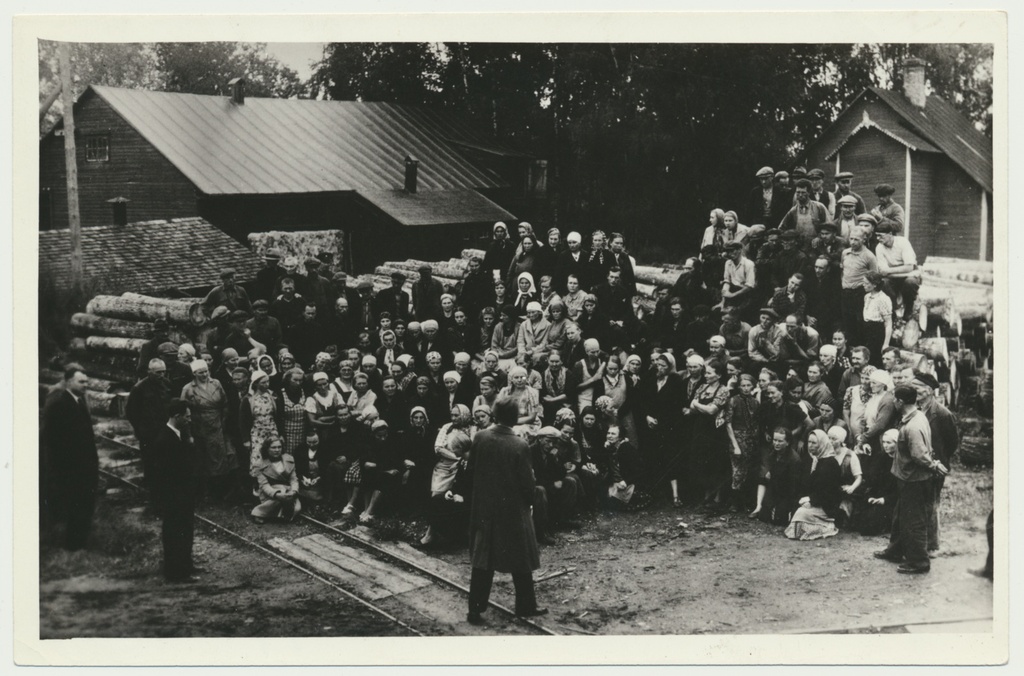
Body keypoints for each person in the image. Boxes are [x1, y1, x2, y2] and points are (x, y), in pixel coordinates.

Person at [467, 396, 546, 624]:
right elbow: (527, 484)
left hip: (484, 508)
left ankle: (475, 610)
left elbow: (470, 471)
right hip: (513, 510)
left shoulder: (480, 437)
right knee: (521, 557)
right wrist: (530, 501)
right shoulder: (519, 444)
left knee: (483, 559)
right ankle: (525, 606)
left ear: (494, 415)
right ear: (515, 417)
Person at [873, 385, 949, 574]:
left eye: (895, 399)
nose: (893, 402)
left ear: (900, 402)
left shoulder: (913, 426)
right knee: (900, 516)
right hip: (907, 477)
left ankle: (919, 562)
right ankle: (895, 551)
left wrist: (933, 465)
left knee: (913, 521)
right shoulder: (918, 416)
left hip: (913, 480)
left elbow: (919, 455)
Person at [41, 364, 99, 550]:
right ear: (68, 382)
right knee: (75, 505)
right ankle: (73, 545)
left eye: (86, 382)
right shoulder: (60, 404)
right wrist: (63, 469)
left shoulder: (79, 402)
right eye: (81, 382)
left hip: (85, 465)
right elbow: (54, 441)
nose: (85, 385)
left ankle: (81, 543)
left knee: (84, 505)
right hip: (71, 468)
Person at [148, 398, 201, 582]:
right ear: (177, 416)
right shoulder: (165, 439)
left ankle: (185, 565)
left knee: (185, 530)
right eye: (187, 416)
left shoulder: (176, 435)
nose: (189, 420)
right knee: (176, 532)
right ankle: (176, 572)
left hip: (182, 493)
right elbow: (166, 473)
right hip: (175, 495)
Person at [913, 371, 959, 555]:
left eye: (918, 388)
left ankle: (932, 545)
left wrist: (939, 460)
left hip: (935, 467)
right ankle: (918, 542)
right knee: (918, 504)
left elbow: (952, 443)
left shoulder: (942, 414)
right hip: (918, 465)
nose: (914, 391)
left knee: (931, 505)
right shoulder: (915, 410)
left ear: (930, 391)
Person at [180, 359, 239, 501]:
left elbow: (225, 403)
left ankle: (224, 490)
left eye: (206, 371)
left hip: (218, 424)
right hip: (200, 427)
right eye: (201, 372)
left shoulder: (216, 383)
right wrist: (189, 431)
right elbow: (183, 410)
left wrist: (223, 420)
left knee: (224, 456)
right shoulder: (188, 389)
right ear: (194, 373)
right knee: (205, 458)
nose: (205, 374)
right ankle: (208, 492)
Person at [125, 358, 172, 506]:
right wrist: (141, 430)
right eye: (158, 372)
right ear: (149, 372)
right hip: (149, 435)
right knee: (151, 465)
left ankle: (165, 496)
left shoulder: (167, 384)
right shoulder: (139, 388)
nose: (162, 375)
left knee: (165, 464)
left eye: (164, 372)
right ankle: (154, 500)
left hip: (165, 432)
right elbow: (131, 412)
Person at [687, 361, 731, 508]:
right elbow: (691, 408)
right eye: (706, 372)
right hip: (700, 428)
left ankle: (718, 497)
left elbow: (712, 410)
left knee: (716, 462)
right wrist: (701, 407)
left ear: (718, 375)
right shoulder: (702, 387)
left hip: (715, 431)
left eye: (709, 373)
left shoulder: (723, 390)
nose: (705, 375)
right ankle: (706, 494)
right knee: (701, 461)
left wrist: (697, 404)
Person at [784, 429, 842, 540]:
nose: (810, 446)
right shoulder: (812, 460)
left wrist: (811, 500)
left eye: (814, 443)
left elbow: (829, 493)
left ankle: (827, 526)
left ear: (821, 444)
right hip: (813, 500)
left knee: (801, 514)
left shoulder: (831, 464)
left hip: (825, 505)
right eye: (809, 442)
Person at [874, 220, 920, 322]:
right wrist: (897, 270)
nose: (878, 238)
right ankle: (894, 310)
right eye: (876, 236)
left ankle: (909, 308)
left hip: (907, 275)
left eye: (880, 236)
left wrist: (889, 271)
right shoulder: (879, 248)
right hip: (894, 277)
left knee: (910, 282)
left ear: (890, 234)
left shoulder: (903, 242)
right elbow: (883, 271)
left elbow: (909, 267)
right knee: (884, 283)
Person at [725, 373, 759, 511]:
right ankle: (735, 502)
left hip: (751, 439)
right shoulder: (733, 401)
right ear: (739, 387)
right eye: (743, 385)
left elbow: (756, 422)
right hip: (738, 438)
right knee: (737, 470)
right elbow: (728, 424)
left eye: (748, 385)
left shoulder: (755, 402)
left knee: (748, 470)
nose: (745, 388)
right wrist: (735, 445)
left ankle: (745, 502)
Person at [839, 230, 878, 347]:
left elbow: (874, 277)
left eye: (856, 239)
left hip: (860, 293)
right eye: (851, 238)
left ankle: (861, 348)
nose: (852, 242)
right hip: (846, 293)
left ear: (863, 240)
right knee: (847, 321)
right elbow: (842, 271)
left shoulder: (869, 256)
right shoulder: (845, 253)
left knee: (860, 321)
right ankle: (850, 348)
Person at [251, 437, 301, 523]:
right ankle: (258, 513)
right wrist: (276, 494)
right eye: (273, 447)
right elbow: (264, 485)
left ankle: (279, 512)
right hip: (270, 493)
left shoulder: (289, 459)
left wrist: (294, 491)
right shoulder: (259, 464)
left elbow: (293, 479)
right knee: (279, 498)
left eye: (279, 447)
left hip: (287, 491)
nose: (277, 450)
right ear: (267, 449)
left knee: (297, 508)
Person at [240, 370, 279, 478]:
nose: (267, 384)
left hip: (272, 431)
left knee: (273, 456)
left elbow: (279, 416)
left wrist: (281, 434)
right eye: (263, 382)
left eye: (267, 382)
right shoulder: (248, 399)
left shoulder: (273, 396)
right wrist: (246, 440)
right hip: (257, 432)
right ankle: (258, 482)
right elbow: (243, 420)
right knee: (258, 457)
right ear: (256, 383)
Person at [779, 179, 830, 244]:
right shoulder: (793, 210)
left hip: (816, 244)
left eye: (803, 192)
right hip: (799, 245)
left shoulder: (819, 207)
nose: (800, 195)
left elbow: (829, 226)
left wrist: (820, 237)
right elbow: (781, 228)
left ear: (809, 193)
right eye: (798, 192)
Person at [862, 272, 893, 366]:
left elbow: (888, 323)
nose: (863, 285)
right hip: (866, 330)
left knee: (875, 360)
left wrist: (886, 344)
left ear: (874, 285)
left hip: (877, 333)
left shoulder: (883, 299)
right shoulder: (867, 297)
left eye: (866, 283)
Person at [719, 242, 757, 318]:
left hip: (746, 294)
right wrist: (723, 301)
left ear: (739, 250)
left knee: (737, 313)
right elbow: (727, 281)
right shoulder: (728, 263)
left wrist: (732, 295)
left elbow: (749, 286)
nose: (730, 254)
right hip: (733, 291)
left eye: (732, 251)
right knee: (720, 311)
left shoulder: (749, 264)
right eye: (728, 251)